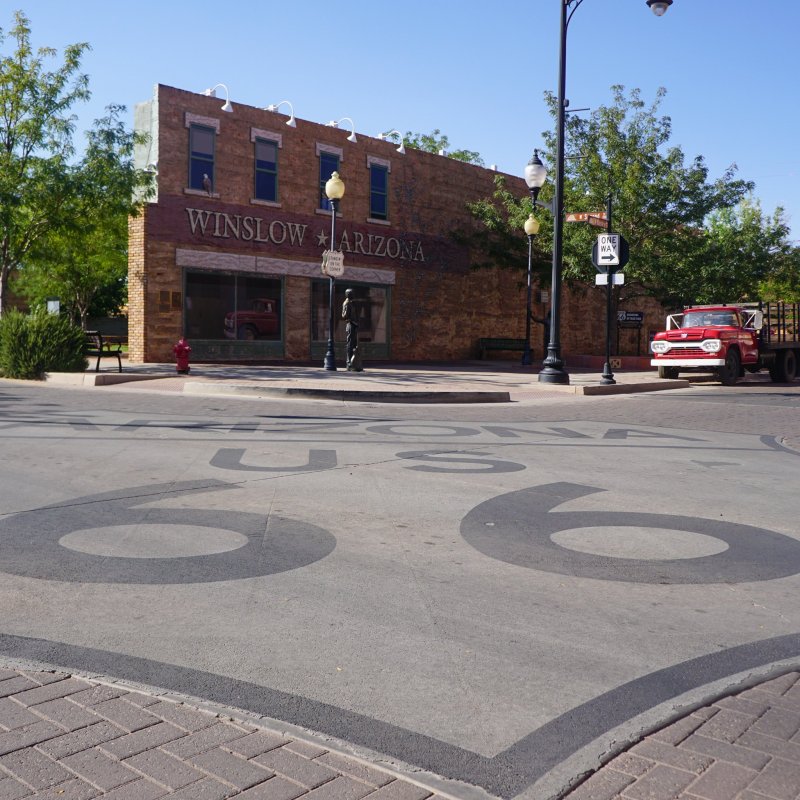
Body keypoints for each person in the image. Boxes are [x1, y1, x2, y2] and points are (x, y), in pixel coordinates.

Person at [341, 289, 363, 371]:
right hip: (350, 324)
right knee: (350, 344)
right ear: (348, 294)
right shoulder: (346, 303)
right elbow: (344, 315)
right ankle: (349, 362)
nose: (353, 295)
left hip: (354, 324)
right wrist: (351, 320)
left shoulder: (351, 302)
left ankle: (354, 362)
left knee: (354, 343)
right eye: (351, 294)